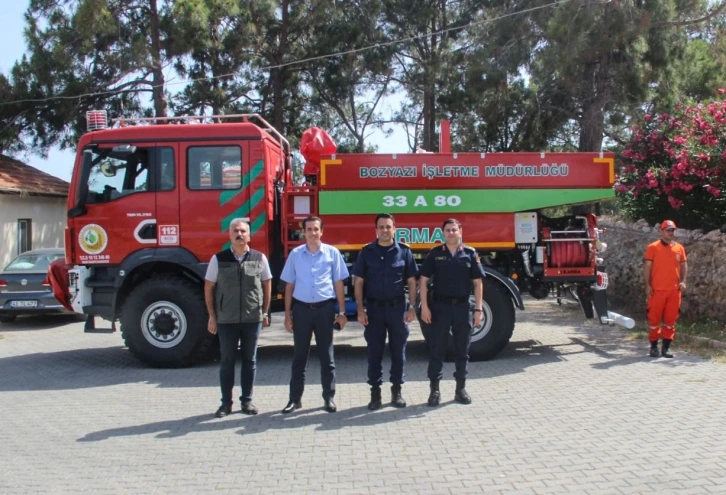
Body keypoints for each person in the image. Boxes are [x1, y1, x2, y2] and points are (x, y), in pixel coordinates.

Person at [280, 216, 349, 414]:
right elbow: (289, 285)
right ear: (304, 232)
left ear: (322, 231)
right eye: (308, 229)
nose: (312, 233)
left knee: (327, 357)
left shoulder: (332, 253)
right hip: (301, 310)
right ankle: (295, 400)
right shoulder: (295, 255)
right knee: (299, 357)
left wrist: (342, 312)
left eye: (315, 229)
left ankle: (329, 398)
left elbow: (338, 283)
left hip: (324, 310)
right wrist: (287, 315)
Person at [205, 218, 272, 418]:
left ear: (249, 235)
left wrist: (265, 312)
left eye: (243, 231)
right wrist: (212, 317)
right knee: (227, 361)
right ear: (229, 235)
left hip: (253, 318)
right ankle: (226, 404)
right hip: (227, 320)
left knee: (249, 361)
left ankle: (247, 401)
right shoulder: (218, 259)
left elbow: (267, 284)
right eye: (236, 231)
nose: (239, 234)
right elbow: (209, 287)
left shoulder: (259, 258)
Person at [353, 214, 418, 410]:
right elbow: (359, 282)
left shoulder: (404, 252)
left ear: (394, 229)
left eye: (388, 227)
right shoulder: (366, 252)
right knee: (374, 353)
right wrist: (360, 309)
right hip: (374, 310)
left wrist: (412, 307)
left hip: (397, 309)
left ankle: (397, 392)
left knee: (399, 352)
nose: (384, 230)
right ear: (376, 230)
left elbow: (412, 282)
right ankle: (375, 394)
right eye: (381, 227)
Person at [419, 218, 485, 406]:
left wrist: (478, 309)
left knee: (462, 350)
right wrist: (424, 306)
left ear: (460, 232)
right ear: (443, 233)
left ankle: (460, 389)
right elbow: (423, 280)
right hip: (440, 308)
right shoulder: (435, 254)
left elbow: (478, 282)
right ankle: (434, 391)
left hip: (463, 308)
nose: (451, 233)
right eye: (447, 230)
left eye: (454, 230)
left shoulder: (470, 254)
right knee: (437, 350)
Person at [643, 220, 688, 359]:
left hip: (674, 291)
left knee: (670, 320)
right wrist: (647, 285)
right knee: (654, 320)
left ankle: (666, 348)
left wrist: (683, 281)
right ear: (661, 231)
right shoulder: (653, 247)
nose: (670, 232)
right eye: (668, 230)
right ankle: (654, 347)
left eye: (672, 230)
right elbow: (647, 267)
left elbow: (684, 265)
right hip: (657, 290)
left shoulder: (679, 248)